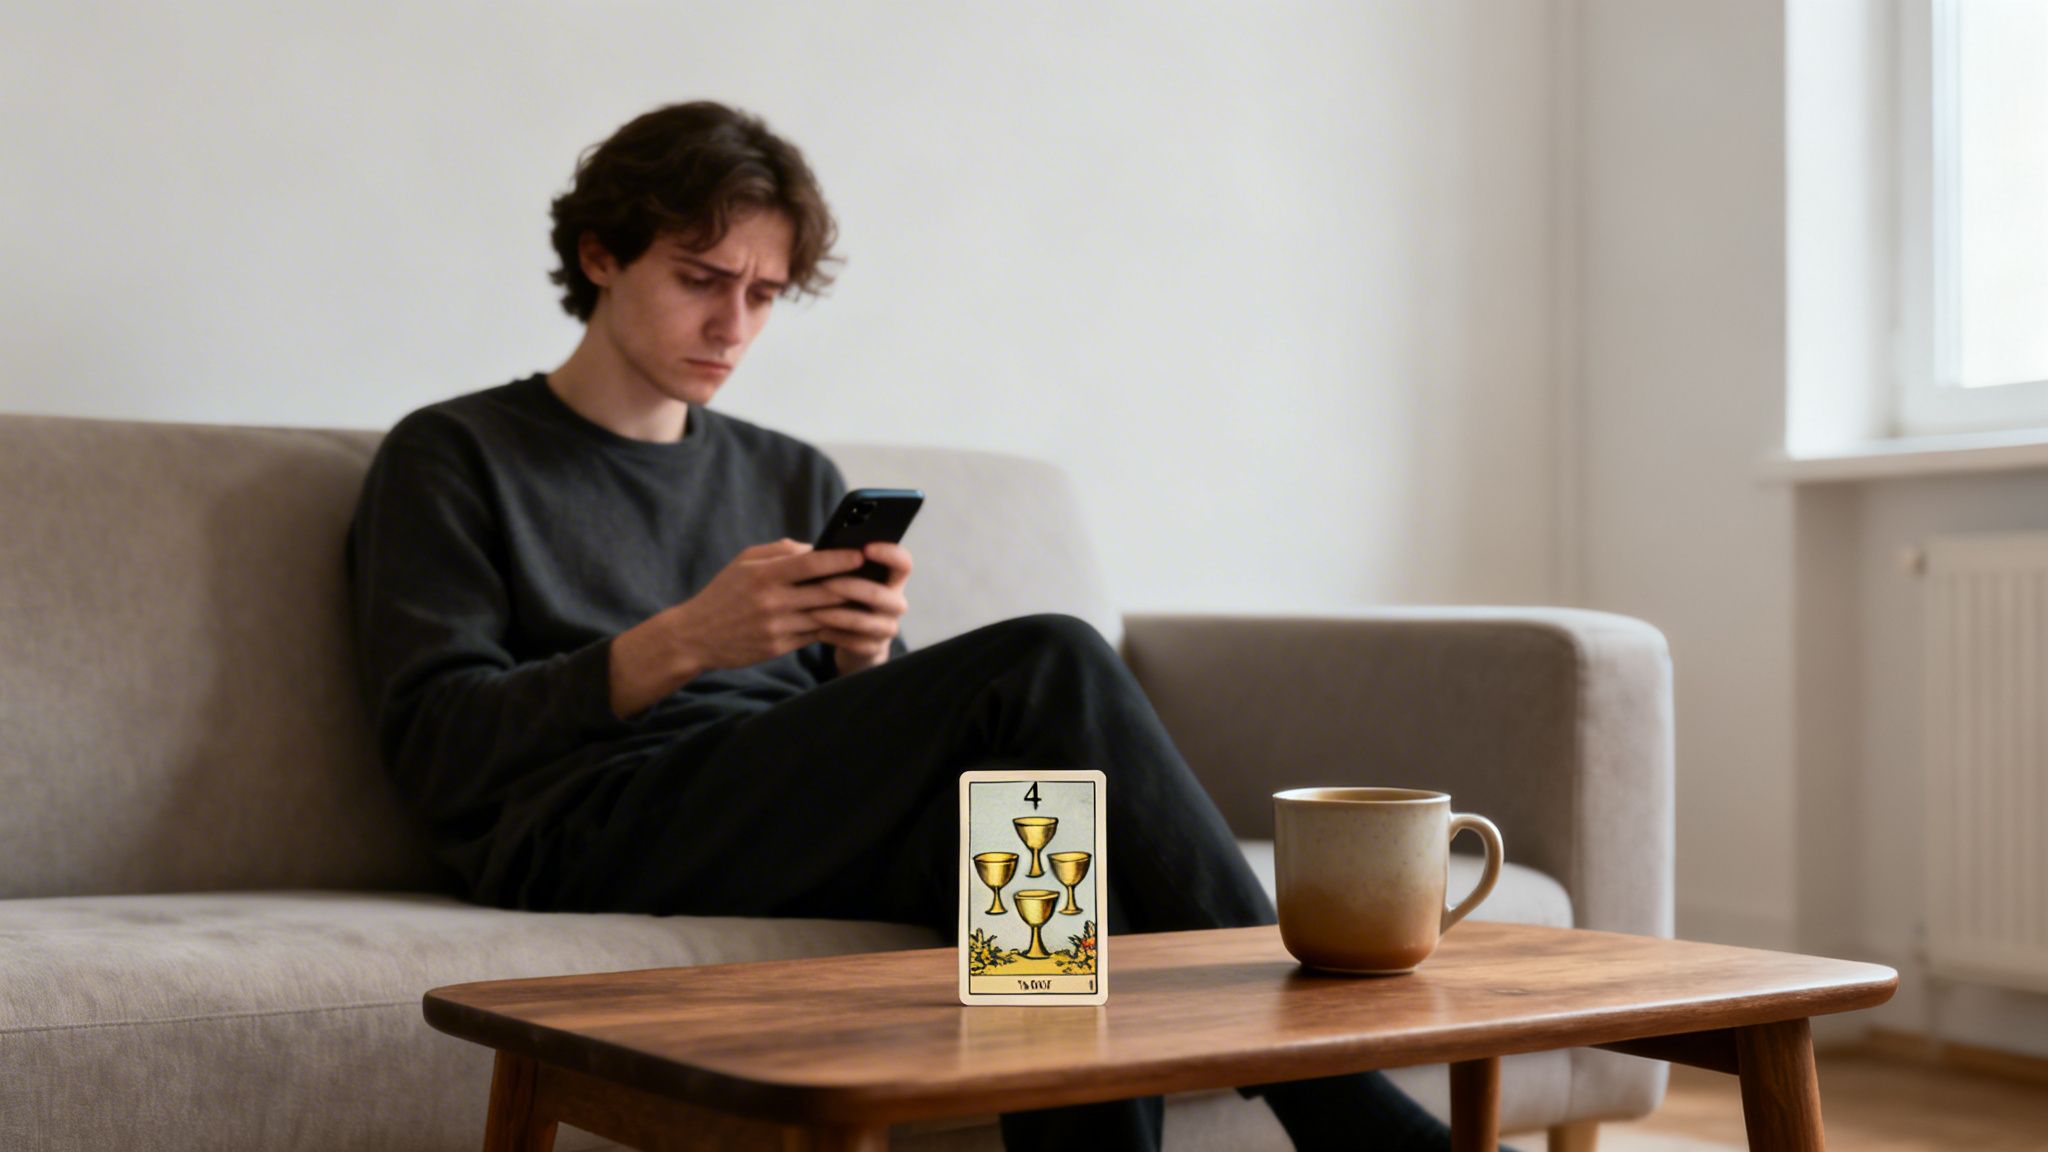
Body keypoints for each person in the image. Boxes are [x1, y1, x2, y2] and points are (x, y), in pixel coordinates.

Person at [347, 100, 1490, 1152]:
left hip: (767, 811)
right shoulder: (451, 455)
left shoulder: (784, 468)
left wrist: (862, 657)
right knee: (1047, 656)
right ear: (600, 256)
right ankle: (1328, 1093)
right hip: (585, 823)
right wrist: (684, 640)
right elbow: (437, 746)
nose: (731, 323)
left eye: (762, 294)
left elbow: (833, 740)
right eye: (701, 278)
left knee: (1044, 846)